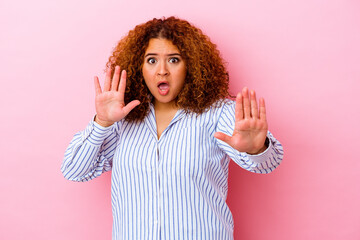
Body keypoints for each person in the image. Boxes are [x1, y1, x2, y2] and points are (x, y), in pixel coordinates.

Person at [62, 16, 283, 240]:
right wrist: (102, 123)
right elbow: (73, 170)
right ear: (139, 67)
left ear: (191, 65)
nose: (162, 71)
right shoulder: (121, 118)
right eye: (151, 61)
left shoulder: (218, 113)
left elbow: (267, 164)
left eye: (174, 60)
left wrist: (257, 149)